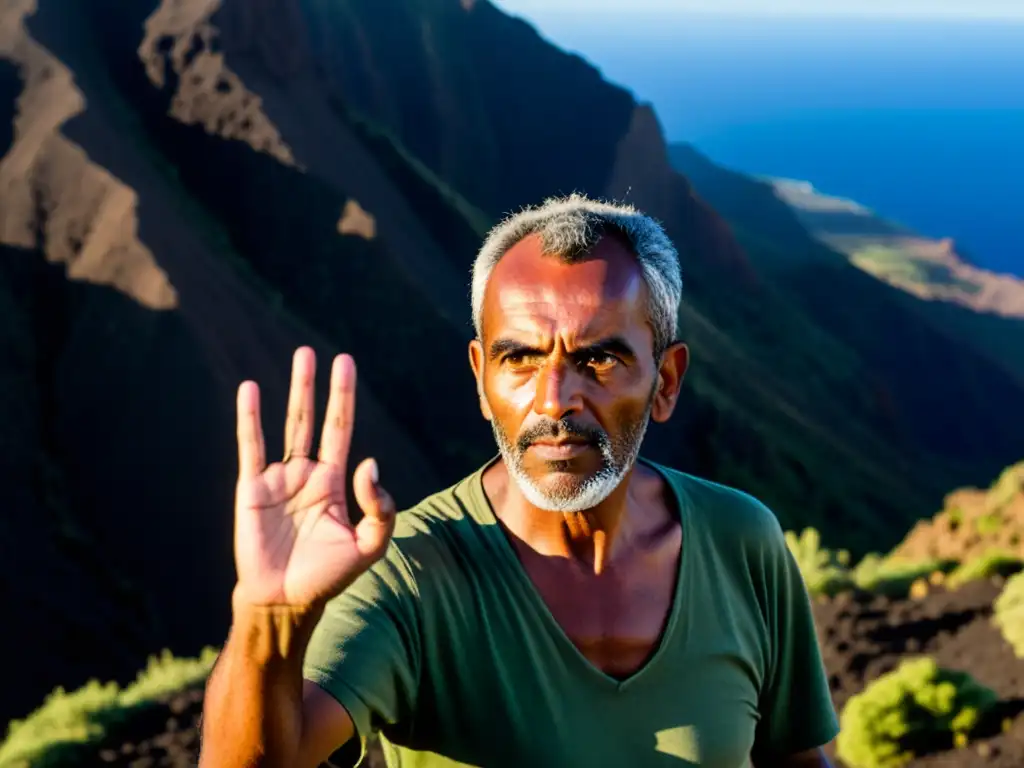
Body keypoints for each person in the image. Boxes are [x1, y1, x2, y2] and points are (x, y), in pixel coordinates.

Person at [198, 194, 839, 768]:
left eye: (598, 359)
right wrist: (267, 617)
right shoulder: (410, 576)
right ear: (481, 377)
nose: (554, 400)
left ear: (665, 381)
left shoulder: (741, 541)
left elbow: (794, 759)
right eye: (520, 359)